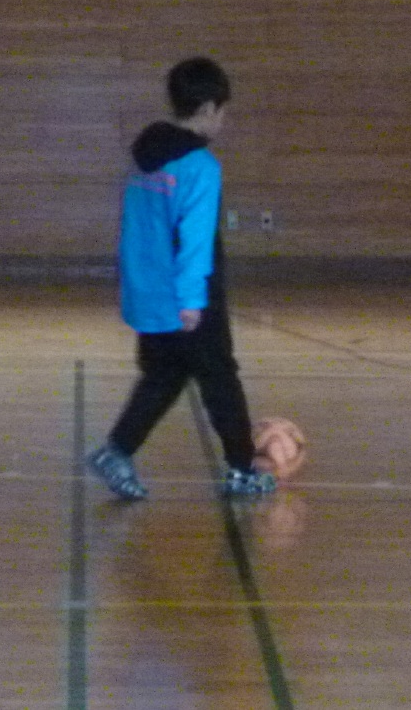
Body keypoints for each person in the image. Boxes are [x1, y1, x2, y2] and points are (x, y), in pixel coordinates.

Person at [85, 57, 276, 499]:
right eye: (223, 111)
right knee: (220, 378)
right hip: (189, 296)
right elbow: (195, 239)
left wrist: (137, 289)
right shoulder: (200, 166)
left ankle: (117, 451)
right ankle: (243, 469)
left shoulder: (146, 157)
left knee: (165, 375)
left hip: (150, 292)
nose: (223, 121)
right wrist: (192, 301)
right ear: (208, 108)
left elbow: (136, 229)